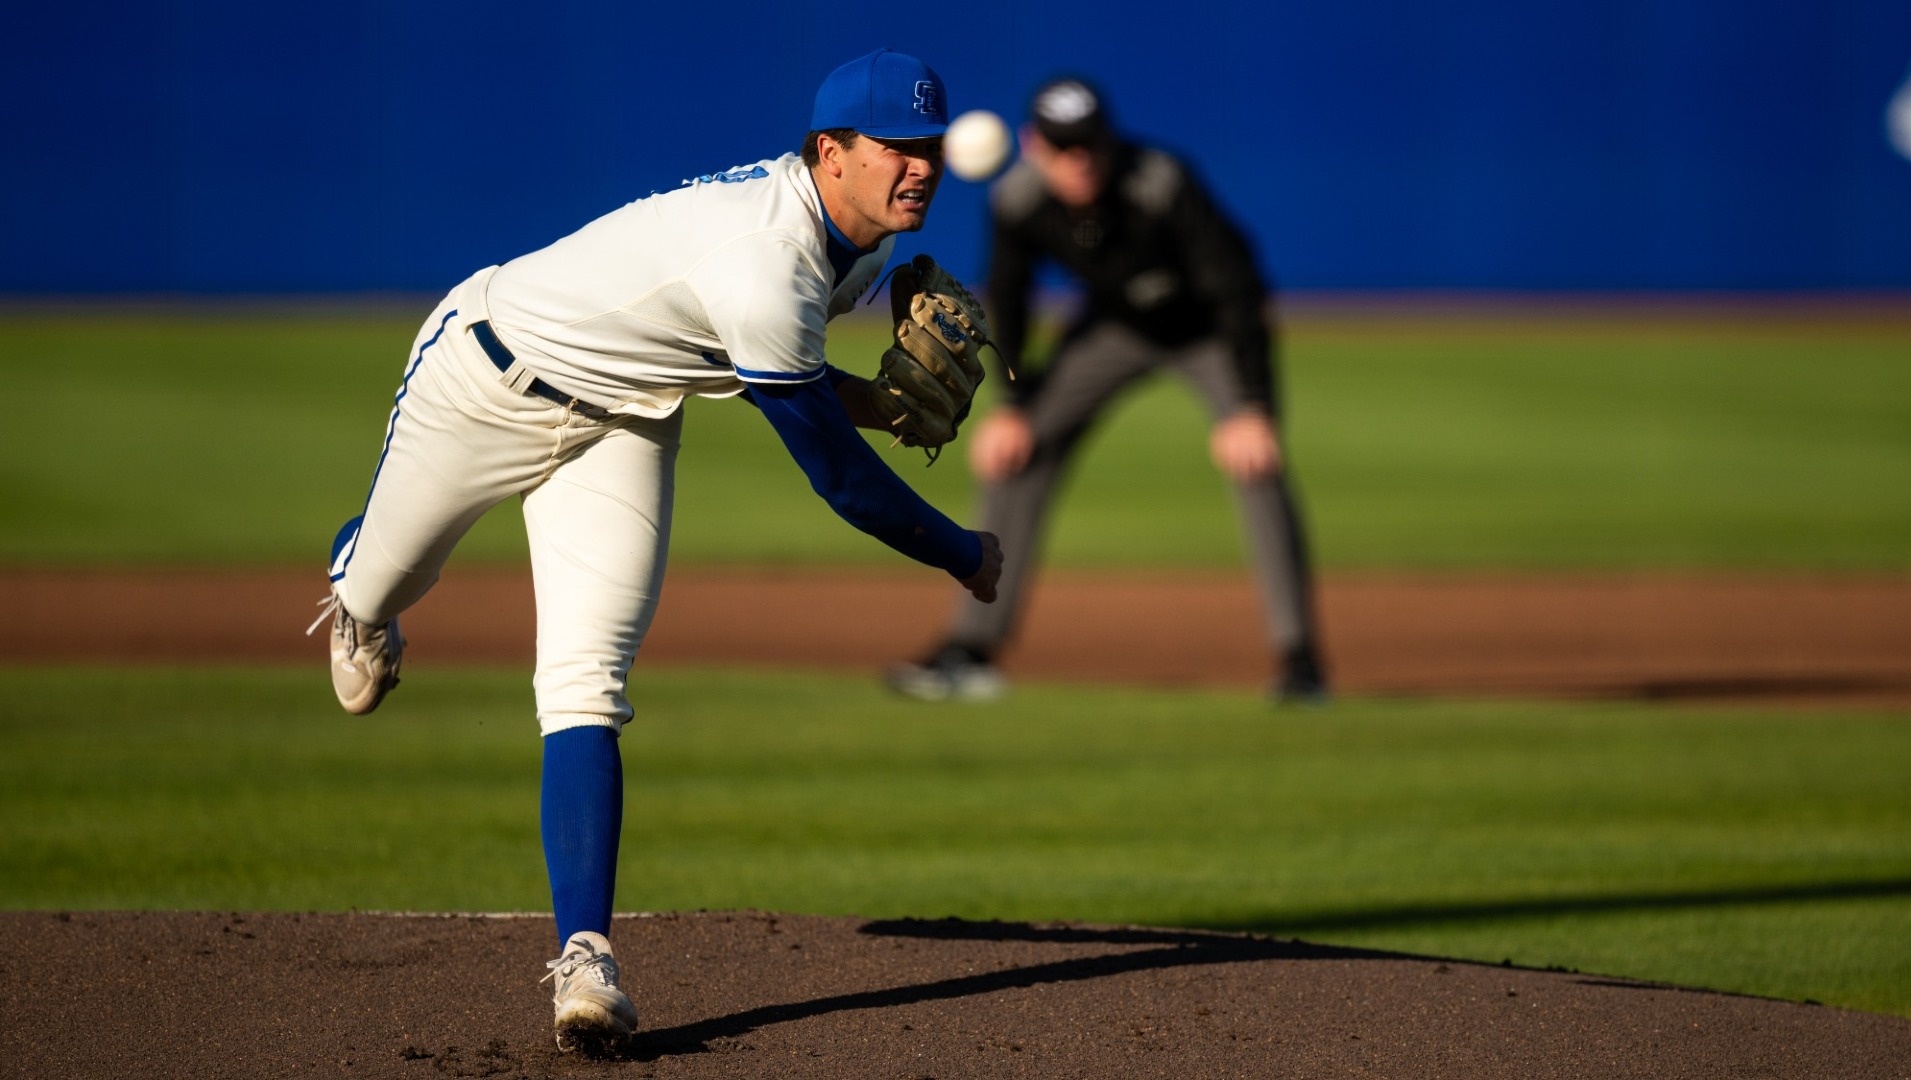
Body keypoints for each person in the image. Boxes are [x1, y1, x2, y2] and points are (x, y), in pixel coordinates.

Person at [307, 47, 1001, 1056]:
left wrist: (886, 403)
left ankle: (584, 959)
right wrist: (960, 551)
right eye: (895, 146)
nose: (920, 166)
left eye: (928, 147)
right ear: (829, 152)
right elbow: (837, 476)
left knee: (588, 679)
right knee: (383, 582)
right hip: (485, 376)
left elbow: (785, 370)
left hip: (624, 419)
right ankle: (357, 578)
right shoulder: (765, 256)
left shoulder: (850, 239)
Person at [885, 75, 1325, 703]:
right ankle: (969, 651)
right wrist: (1014, 406)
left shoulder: (1161, 182)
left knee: (1256, 462)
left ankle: (1301, 663)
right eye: (1064, 146)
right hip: (1113, 328)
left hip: (1204, 329)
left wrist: (1253, 407)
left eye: (1089, 144)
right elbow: (1009, 298)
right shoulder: (1019, 198)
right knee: (1020, 450)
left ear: (1109, 140)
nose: (1079, 160)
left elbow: (1235, 288)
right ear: (1035, 145)